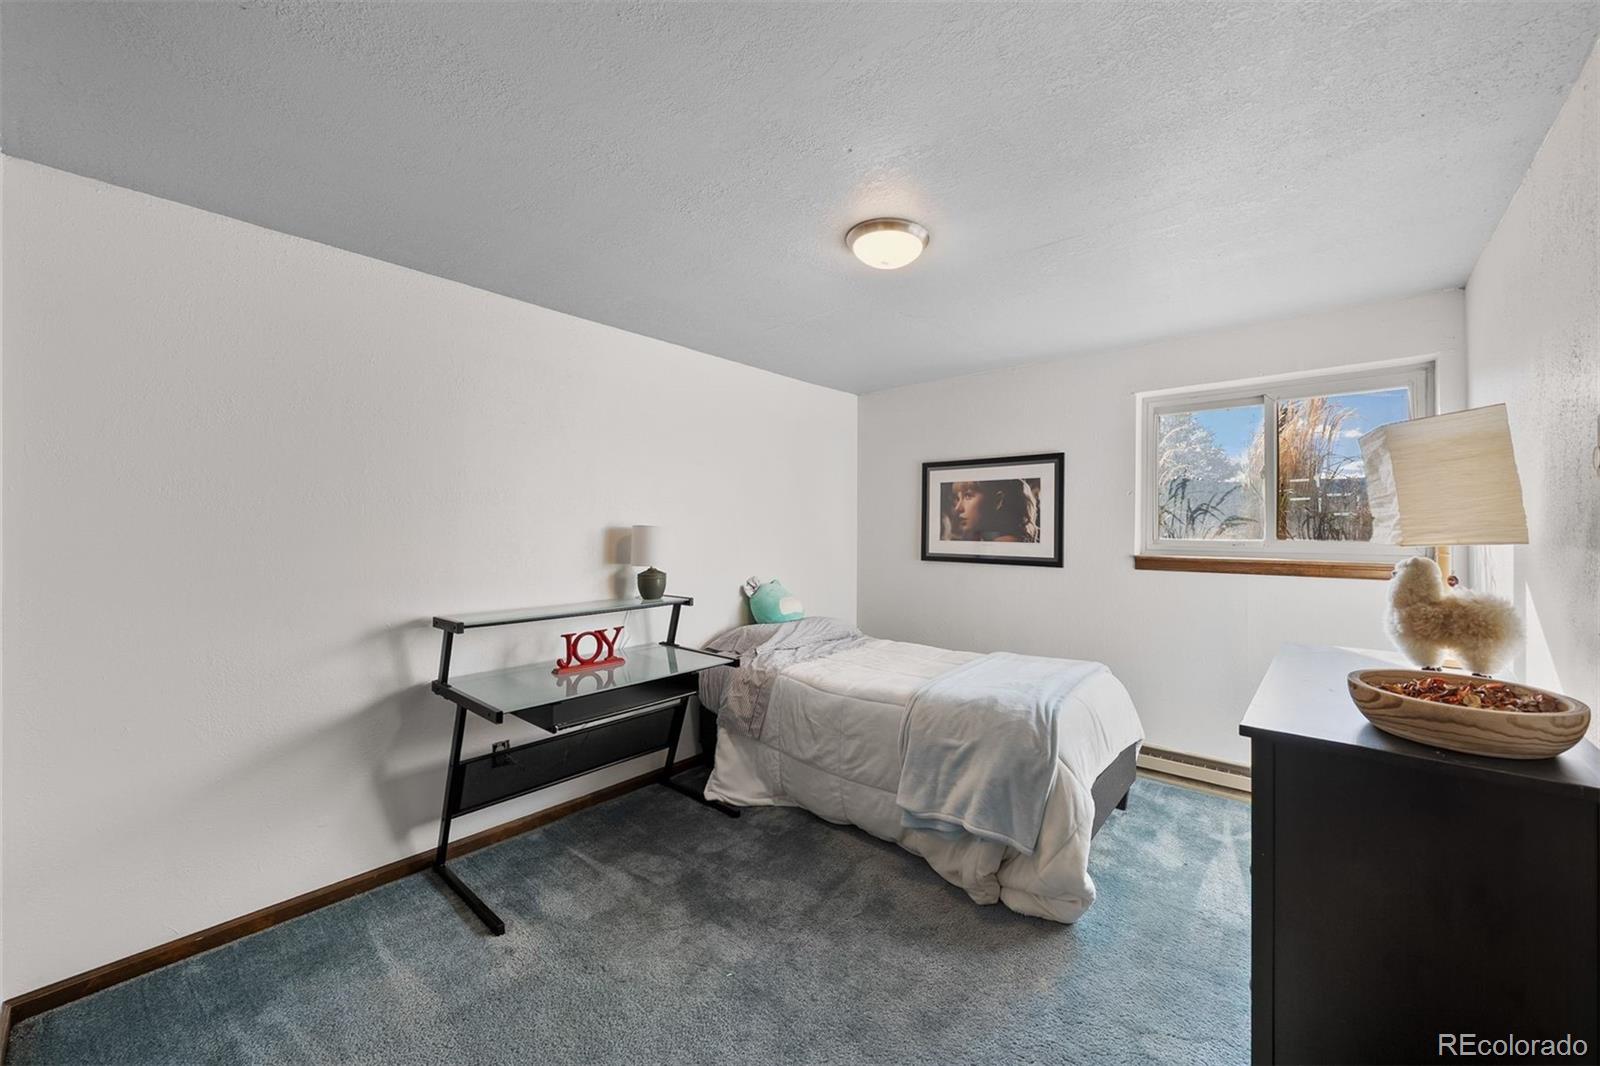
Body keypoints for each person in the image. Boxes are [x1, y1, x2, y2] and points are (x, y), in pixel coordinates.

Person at [945, 479, 1039, 542]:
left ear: (997, 500)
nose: (958, 508)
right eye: (958, 498)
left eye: (968, 496)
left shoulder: (1003, 544)